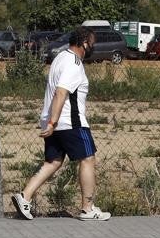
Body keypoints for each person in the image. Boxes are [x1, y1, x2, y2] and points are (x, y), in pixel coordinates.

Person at [11, 26, 111, 221]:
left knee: (53, 161)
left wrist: (49, 122)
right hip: (68, 121)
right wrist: (53, 122)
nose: (93, 47)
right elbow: (61, 92)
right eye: (92, 43)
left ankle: (24, 197)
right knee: (88, 159)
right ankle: (87, 208)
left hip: (54, 120)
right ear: (84, 43)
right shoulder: (74, 63)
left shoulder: (60, 56)